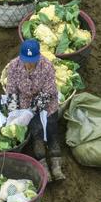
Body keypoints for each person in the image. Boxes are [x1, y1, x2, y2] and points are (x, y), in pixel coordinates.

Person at [5, 39, 65, 181]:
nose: (29, 64)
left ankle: (56, 166)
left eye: (32, 61)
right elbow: (11, 90)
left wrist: (31, 111)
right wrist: (14, 113)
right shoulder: (14, 67)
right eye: (26, 60)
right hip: (25, 104)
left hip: (47, 105)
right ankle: (43, 165)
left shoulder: (46, 66)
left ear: (38, 57)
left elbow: (48, 92)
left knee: (51, 131)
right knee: (36, 134)